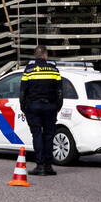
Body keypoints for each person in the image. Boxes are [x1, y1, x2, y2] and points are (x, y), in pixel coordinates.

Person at [20, 45, 64, 176]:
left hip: (33, 107)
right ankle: (49, 166)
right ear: (46, 55)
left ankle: (40, 166)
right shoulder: (54, 70)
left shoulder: (29, 70)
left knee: (37, 134)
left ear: (35, 55)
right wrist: (58, 107)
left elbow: (23, 91)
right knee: (49, 135)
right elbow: (60, 91)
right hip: (50, 107)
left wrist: (24, 107)